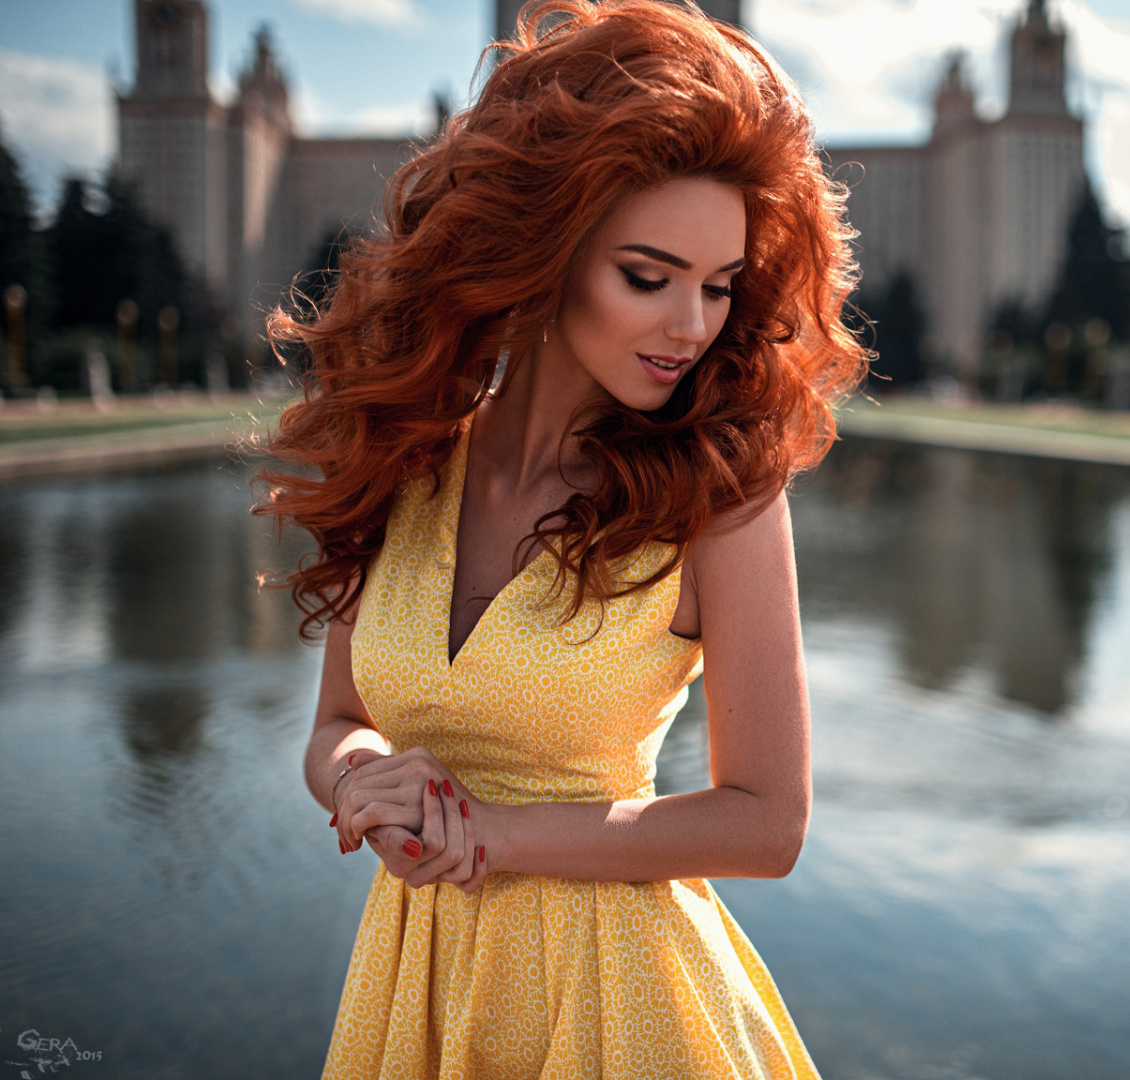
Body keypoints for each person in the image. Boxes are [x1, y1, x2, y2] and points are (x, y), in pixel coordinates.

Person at [256, 2, 864, 1076]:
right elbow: (339, 724)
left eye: (719, 287)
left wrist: (492, 831)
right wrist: (360, 784)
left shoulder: (718, 493)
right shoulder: (406, 456)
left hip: (621, 1009)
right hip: (418, 992)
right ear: (549, 250)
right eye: (649, 275)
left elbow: (768, 824)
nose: (691, 325)